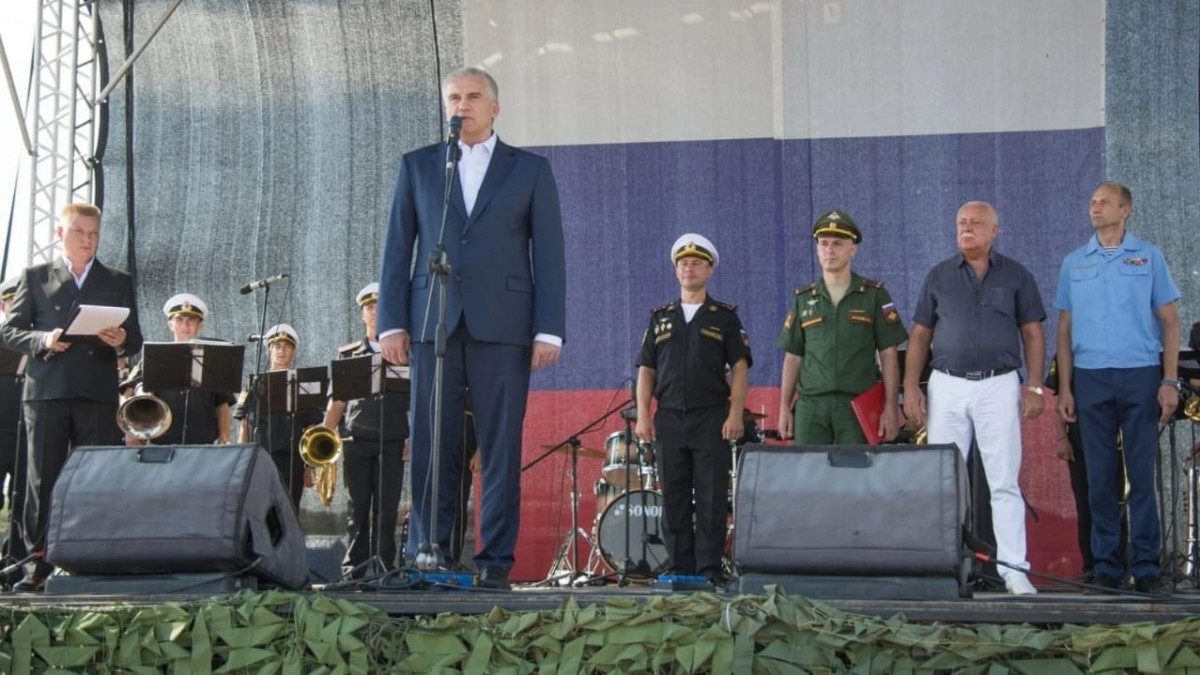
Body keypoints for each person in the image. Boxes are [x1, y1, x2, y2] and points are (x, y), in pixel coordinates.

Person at [377, 66, 566, 590]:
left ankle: (494, 561)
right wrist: (391, 322)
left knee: (500, 445)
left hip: (504, 325)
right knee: (431, 439)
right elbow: (397, 248)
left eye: (473, 97)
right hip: (432, 321)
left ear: (494, 107)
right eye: (455, 98)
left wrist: (549, 329)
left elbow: (549, 253)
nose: (463, 105)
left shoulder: (530, 170)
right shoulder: (418, 165)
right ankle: (428, 552)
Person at [903, 201, 1045, 596]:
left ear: (995, 230)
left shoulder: (1016, 274)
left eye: (976, 223)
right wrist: (911, 386)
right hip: (947, 385)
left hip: (999, 384)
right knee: (943, 480)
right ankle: (942, 568)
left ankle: (1014, 571)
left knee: (1003, 481)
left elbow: (1032, 334)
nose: (967, 228)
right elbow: (919, 335)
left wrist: (1035, 386)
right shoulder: (939, 275)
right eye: (961, 222)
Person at [0, 203, 143, 592]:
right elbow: (9, 331)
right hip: (47, 389)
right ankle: (37, 564)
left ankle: (91, 558)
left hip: (95, 391)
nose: (88, 240)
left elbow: (135, 337)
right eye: (80, 232)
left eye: (94, 233)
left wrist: (121, 338)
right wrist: (42, 339)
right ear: (60, 233)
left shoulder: (116, 280)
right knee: (41, 478)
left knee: (95, 476)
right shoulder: (36, 277)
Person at [1053, 182, 1180, 595]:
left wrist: (1168, 380)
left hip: (1140, 373)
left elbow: (1170, 321)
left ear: (1125, 210)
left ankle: (1146, 567)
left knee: (1142, 475)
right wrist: (1065, 388)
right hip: (1090, 376)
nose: (1095, 207)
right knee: (1100, 477)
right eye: (1092, 202)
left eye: (1104, 202)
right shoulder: (1075, 261)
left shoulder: (1149, 256)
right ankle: (1106, 566)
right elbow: (1065, 329)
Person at [634, 234, 751, 586]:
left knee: (712, 497)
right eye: (683, 264)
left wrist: (735, 414)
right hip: (669, 416)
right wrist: (643, 414)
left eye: (697, 263)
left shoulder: (724, 317)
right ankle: (680, 569)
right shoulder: (660, 318)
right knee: (674, 498)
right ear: (676, 271)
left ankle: (709, 571)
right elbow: (646, 370)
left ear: (709, 270)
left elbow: (740, 367)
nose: (689, 268)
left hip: (711, 416)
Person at [777, 210, 907, 444]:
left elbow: (888, 355)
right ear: (817, 250)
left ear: (852, 249)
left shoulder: (874, 295)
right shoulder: (803, 299)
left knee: (855, 468)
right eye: (824, 243)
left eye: (837, 244)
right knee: (809, 467)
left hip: (857, 405)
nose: (830, 250)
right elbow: (793, 357)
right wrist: (784, 408)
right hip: (811, 407)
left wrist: (890, 406)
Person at [322, 283, 410, 577]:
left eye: (379, 307)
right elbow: (337, 401)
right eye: (369, 307)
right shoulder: (349, 355)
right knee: (357, 508)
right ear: (362, 314)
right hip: (356, 440)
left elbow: (418, 401)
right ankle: (353, 570)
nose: (374, 312)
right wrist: (324, 435)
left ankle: (385, 568)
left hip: (393, 440)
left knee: (387, 508)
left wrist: (414, 437)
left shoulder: (405, 352)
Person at [1046, 355, 1129, 584]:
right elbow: (1059, 398)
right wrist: (1062, 438)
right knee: (1085, 503)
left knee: (1117, 501)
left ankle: (1119, 565)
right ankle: (1091, 566)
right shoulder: (1068, 353)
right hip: (1080, 434)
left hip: (1116, 434)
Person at [121, 294, 234, 446]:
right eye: (179, 320)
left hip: (203, 445)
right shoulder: (154, 356)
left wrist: (224, 440)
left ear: (200, 325)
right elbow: (128, 391)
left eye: (191, 321)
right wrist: (130, 431)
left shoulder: (213, 358)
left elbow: (223, 403)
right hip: (162, 444)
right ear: (170, 325)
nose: (185, 326)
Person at [238, 324, 320, 511]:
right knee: (262, 509)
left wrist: (310, 466)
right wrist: (241, 462)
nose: (281, 351)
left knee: (290, 508)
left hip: (293, 458)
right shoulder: (254, 384)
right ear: (268, 351)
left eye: (287, 346)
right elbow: (245, 425)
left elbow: (310, 428)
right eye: (276, 346)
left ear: (294, 352)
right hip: (261, 456)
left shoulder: (303, 384)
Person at [0, 278, 28, 586]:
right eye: (12, 303)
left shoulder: (38, 342)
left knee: (22, 503)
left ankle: (13, 567)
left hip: (27, 434)